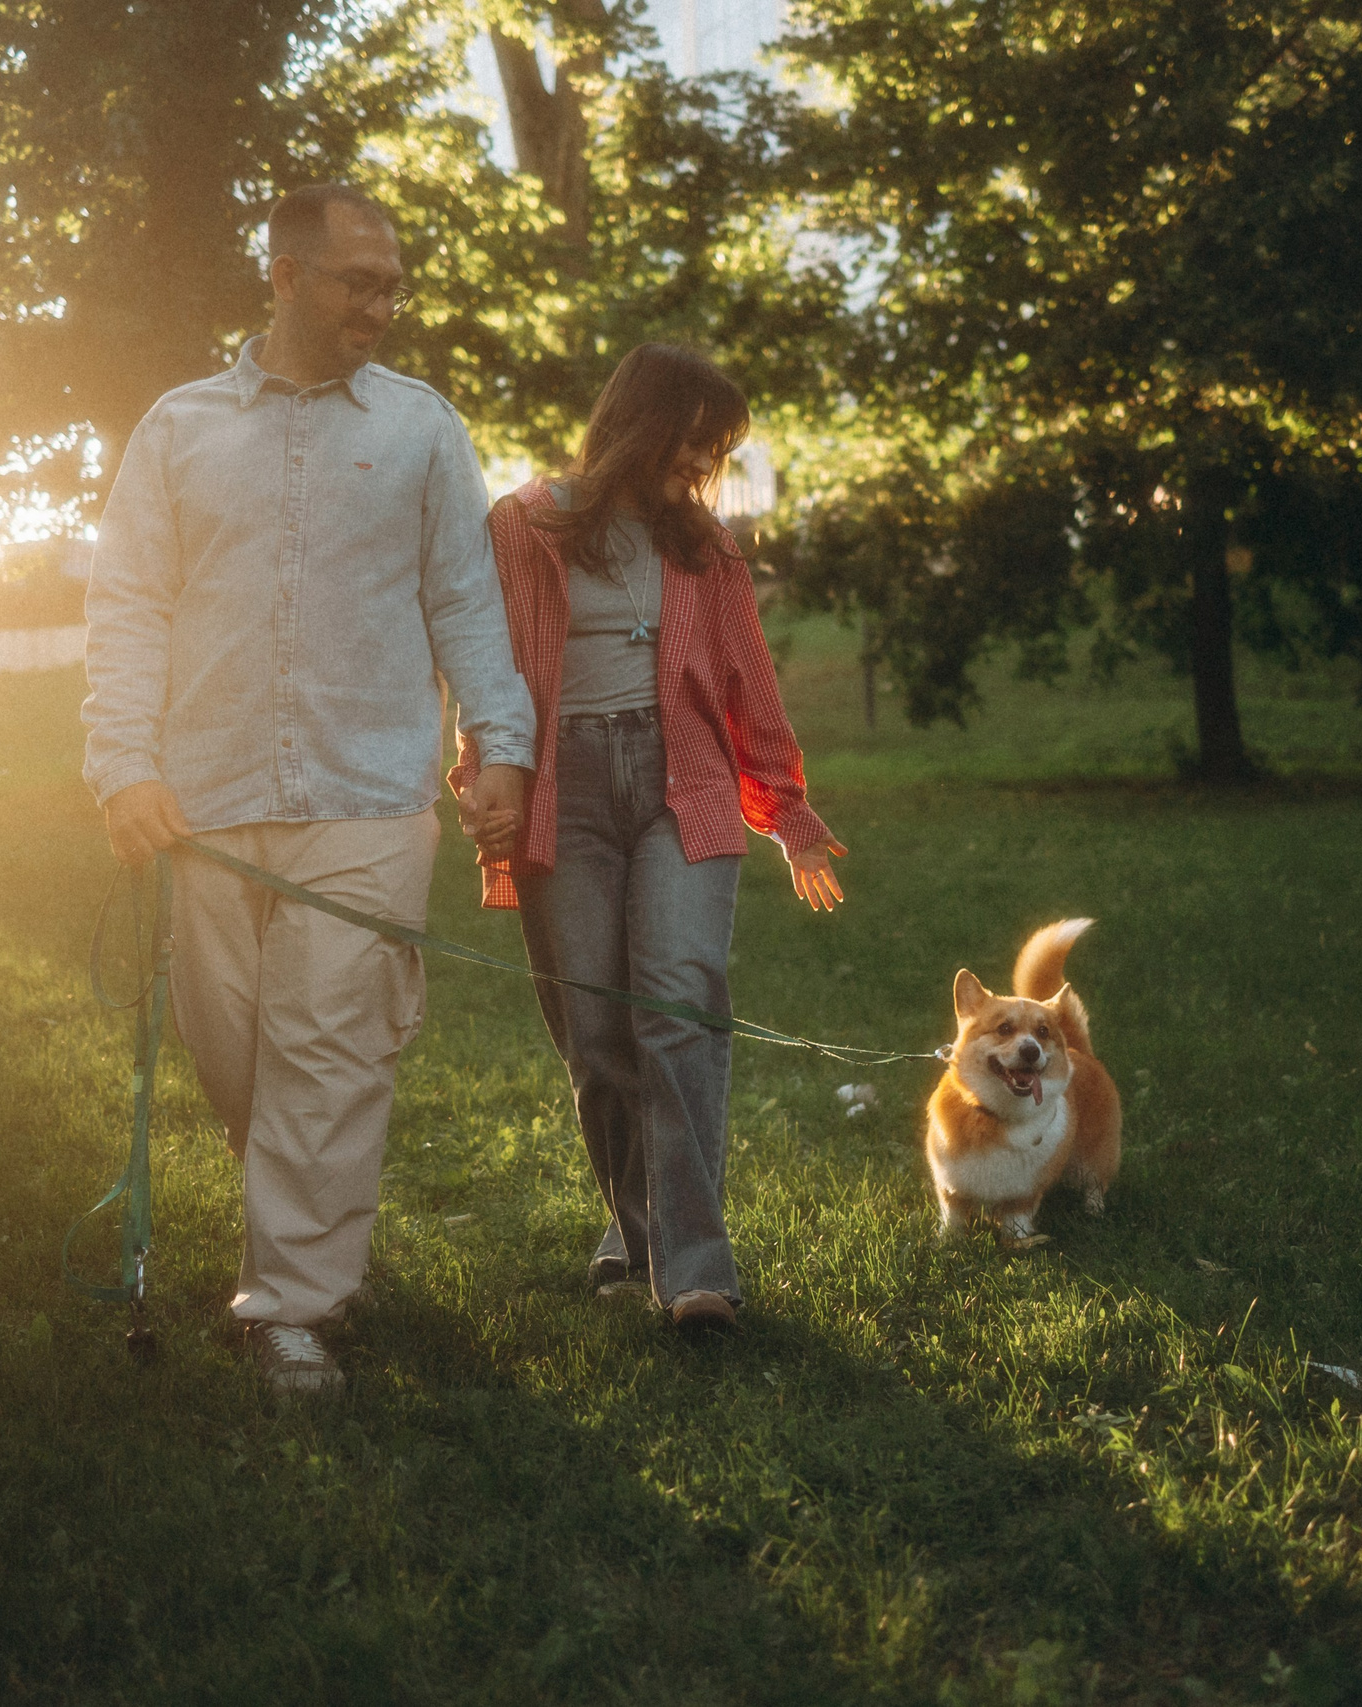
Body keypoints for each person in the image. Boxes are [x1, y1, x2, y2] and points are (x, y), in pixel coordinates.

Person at [83, 183, 537, 1394]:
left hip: (370, 790)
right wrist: (122, 768)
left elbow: (464, 602)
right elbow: (128, 607)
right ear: (283, 276)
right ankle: (313, 1221)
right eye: (357, 283)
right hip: (209, 797)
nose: (382, 307)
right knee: (232, 1049)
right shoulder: (177, 430)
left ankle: (291, 1307)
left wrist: (503, 744)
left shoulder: (424, 428)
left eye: (392, 285)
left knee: (328, 1046)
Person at [453, 343, 846, 1335]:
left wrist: (788, 813)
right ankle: (636, 1233)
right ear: (643, 422)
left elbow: (747, 682)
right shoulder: (523, 526)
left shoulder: (704, 548)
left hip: (686, 786)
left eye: (718, 449)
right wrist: (484, 774)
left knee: (674, 1007)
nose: (706, 462)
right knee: (597, 1033)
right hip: (563, 788)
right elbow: (486, 668)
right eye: (698, 439)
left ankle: (695, 1270)